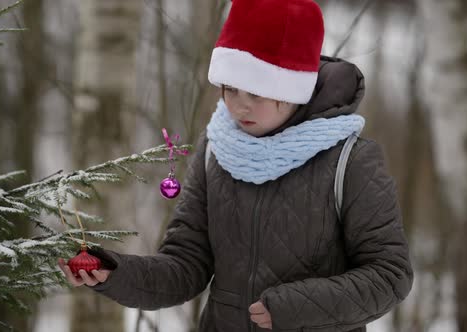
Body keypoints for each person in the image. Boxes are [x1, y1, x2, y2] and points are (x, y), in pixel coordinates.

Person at [58, 0, 414, 330]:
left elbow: (389, 275)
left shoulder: (350, 160)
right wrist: (114, 274)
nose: (239, 106)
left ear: (293, 88)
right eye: (230, 89)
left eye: (255, 93)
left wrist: (293, 307)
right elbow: (186, 265)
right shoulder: (217, 149)